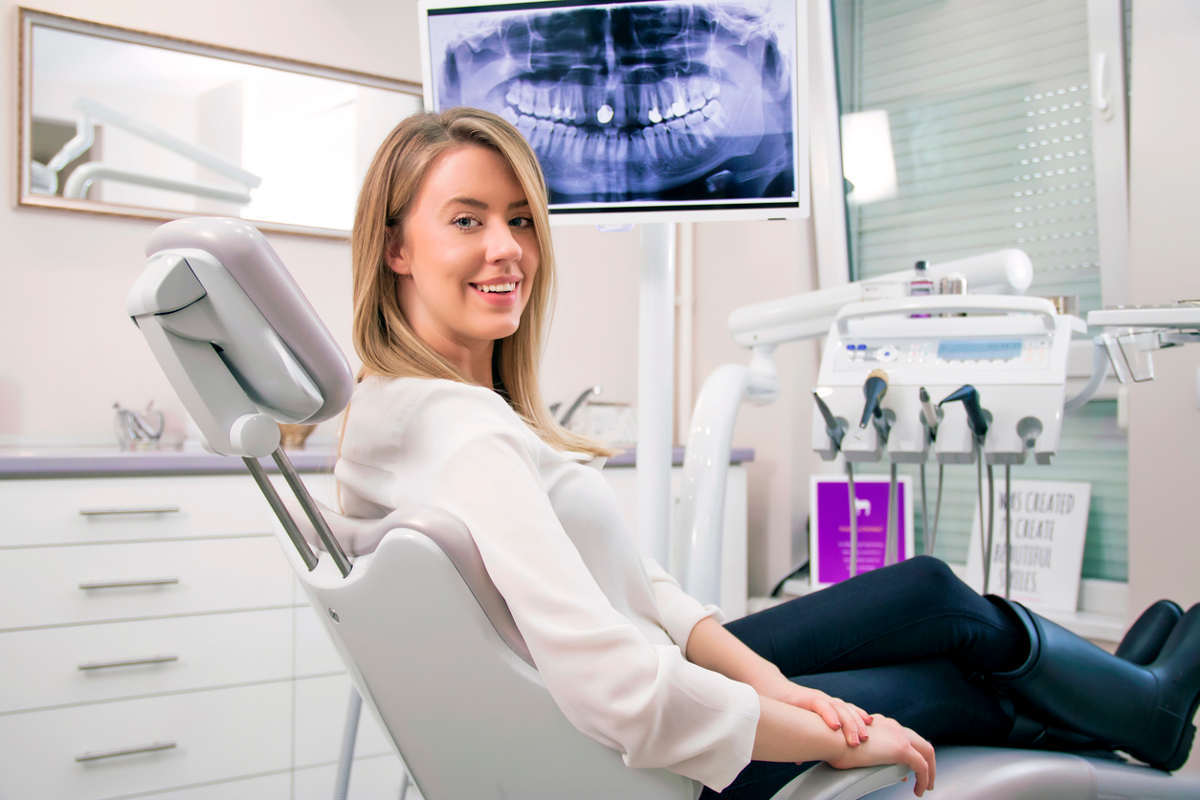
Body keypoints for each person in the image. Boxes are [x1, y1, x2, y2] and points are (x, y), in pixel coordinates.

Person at [334, 107, 1200, 799]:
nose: (508, 248)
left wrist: (776, 685)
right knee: (947, 674)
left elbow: (641, 595)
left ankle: (1134, 691)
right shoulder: (467, 437)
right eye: (467, 220)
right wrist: (824, 732)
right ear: (397, 247)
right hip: (673, 760)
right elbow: (618, 688)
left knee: (927, 589)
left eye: (519, 219)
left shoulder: (399, 414)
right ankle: (1144, 705)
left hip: (655, 704)